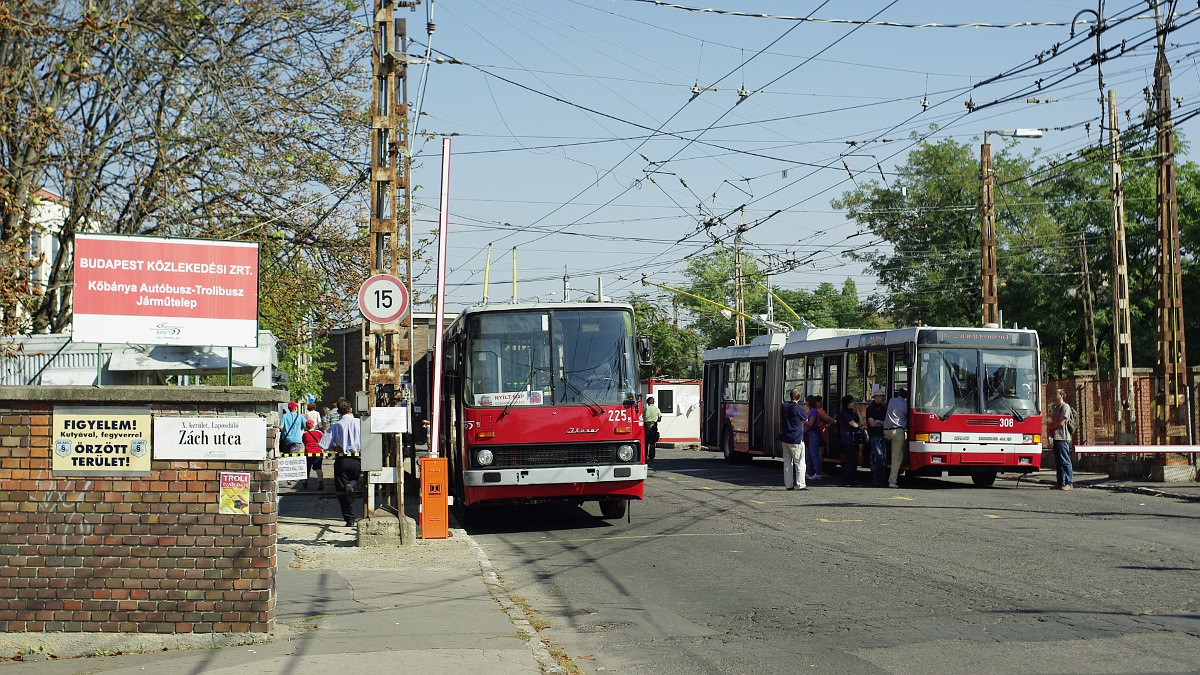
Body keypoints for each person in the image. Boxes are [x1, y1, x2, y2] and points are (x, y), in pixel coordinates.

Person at [319, 401, 363, 526]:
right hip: (356, 458)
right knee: (355, 479)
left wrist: (334, 448)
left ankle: (349, 519)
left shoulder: (336, 426)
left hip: (341, 459)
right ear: (351, 410)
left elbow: (323, 444)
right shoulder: (359, 423)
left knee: (341, 490)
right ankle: (352, 486)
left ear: (338, 412)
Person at [779, 388, 807, 490]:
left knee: (787, 462)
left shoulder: (784, 407)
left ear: (790, 396)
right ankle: (801, 484)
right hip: (796, 438)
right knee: (799, 462)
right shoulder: (797, 408)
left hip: (785, 438)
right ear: (799, 397)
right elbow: (806, 418)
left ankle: (789, 485)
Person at [1048, 388, 1074, 490]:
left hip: (1063, 437)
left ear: (1061, 395)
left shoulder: (1065, 407)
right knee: (1058, 462)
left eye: (1056, 393)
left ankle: (1069, 483)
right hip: (1056, 437)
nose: (1054, 395)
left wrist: (1050, 427)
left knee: (1065, 461)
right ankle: (1060, 482)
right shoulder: (1056, 408)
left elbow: (1061, 422)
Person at [883, 387, 909, 488]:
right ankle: (892, 481)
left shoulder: (891, 400)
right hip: (897, 431)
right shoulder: (905, 405)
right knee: (896, 458)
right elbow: (908, 415)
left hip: (886, 431)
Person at [837, 394, 864, 486]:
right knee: (850, 460)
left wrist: (858, 412)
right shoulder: (845, 413)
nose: (854, 403)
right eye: (852, 402)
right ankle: (846, 480)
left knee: (854, 460)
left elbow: (861, 423)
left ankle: (852, 480)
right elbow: (855, 425)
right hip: (847, 439)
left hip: (854, 439)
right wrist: (858, 424)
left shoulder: (852, 413)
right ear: (847, 404)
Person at [865, 385, 888, 487]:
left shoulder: (884, 409)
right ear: (875, 397)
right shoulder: (870, 409)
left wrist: (878, 421)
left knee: (881, 457)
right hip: (874, 435)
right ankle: (877, 478)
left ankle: (879, 478)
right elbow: (872, 424)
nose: (881, 398)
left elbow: (886, 423)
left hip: (882, 435)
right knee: (879, 456)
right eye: (879, 396)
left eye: (882, 396)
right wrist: (881, 423)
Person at [803, 395, 824, 481]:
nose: (805, 402)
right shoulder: (810, 411)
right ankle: (809, 472)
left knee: (814, 454)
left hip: (813, 434)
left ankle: (817, 473)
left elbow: (811, 423)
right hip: (808, 434)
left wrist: (803, 420)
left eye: (806, 401)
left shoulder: (814, 411)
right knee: (808, 455)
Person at [300, 420, 325, 492]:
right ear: (313, 425)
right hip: (318, 452)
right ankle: (320, 482)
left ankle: (305, 482)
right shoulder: (319, 432)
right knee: (318, 468)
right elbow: (323, 441)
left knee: (307, 468)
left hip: (308, 452)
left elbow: (304, 442)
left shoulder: (305, 434)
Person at [643, 396, 662, 463]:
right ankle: (651, 457)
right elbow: (660, 417)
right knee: (652, 443)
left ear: (647, 402)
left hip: (646, 426)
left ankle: (644, 457)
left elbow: (641, 417)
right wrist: (657, 420)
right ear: (653, 402)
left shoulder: (645, 409)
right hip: (654, 425)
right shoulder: (656, 409)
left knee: (645, 443)